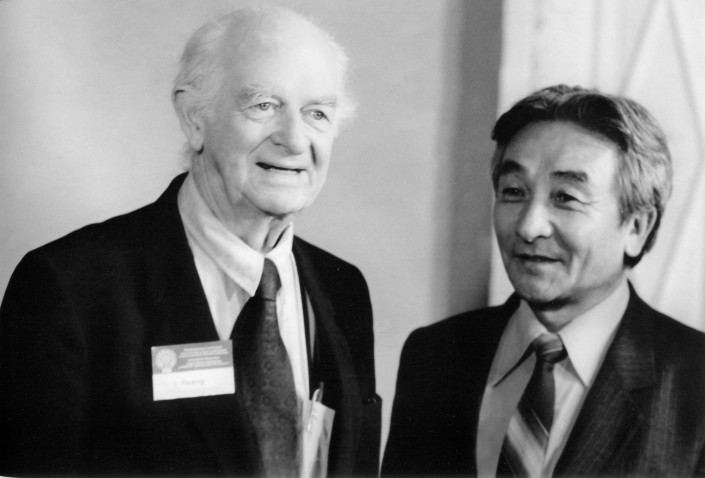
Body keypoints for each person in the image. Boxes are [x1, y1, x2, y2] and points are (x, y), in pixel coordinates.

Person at [0, 7, 380, 477]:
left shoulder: (343, 289)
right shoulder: (68, 288)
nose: (295, 140)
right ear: (194, 117)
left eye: (317, 113)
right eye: (264, 105)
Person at [382, 85, 705, 476]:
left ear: (637, 226)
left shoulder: (694, 381)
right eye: (513, 192)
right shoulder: (435, 356)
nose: (529, 226)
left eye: (565, 197)